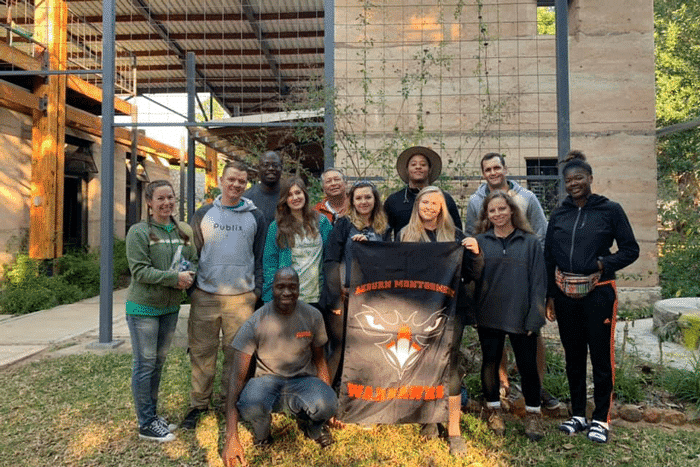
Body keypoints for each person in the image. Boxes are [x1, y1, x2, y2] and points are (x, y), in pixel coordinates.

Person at [545, 150, 639, 444]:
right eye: (569, 180)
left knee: (601, 357)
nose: (574, 184)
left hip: (599, 293)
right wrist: (550, 295)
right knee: (573, 356)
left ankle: (601, 418)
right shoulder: (559, 213)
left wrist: (602, 264)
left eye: (579, 178)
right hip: (564, 294)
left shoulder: (610, 210)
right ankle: (577, 414)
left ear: (590, 179)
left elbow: (630, 249)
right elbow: (549, 256)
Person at [464, 152, 558, 410]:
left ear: (505, 169)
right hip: (491, 301)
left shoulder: (527, 199)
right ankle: (499, 394)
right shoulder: (475, 203)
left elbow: (541, 232)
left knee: (528, 353)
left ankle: (535, 397)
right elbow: (472, 252)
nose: (493, 172)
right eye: (488, 169)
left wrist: (525, 253)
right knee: (492, 358)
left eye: (497, 167)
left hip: (522, 286)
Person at [222, 267, 338, 467]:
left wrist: (329, 405)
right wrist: (231, 436)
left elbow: (320, 361)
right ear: (272, 288)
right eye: (280, 287)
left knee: (328, 403)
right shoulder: (255, 322)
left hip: (303, 380)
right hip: (266, 381)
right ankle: (262, 432)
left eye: (292, 287)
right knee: (250, 404)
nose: (286, 292)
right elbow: (236, 379)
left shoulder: (312, 316)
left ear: (299, 289)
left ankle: (314, 428)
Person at [397, 186, 481, 457]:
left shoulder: (455, 236)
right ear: (417, 206)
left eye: (435, 203)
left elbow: (473, 274)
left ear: (443, 207)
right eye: (425, 202)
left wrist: (476, 252)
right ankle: (429, 420)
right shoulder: (405, 235)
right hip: (418, 310)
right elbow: (393, 268)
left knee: (450, 365)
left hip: (450, 310)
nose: (430, 207)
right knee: (422, 363)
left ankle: (454, 429)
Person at [182, 160, 266, 430]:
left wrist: (256, 291)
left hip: (241, 299)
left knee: (236, 356)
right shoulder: (203, 214)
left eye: (242, 181)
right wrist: (194, 290)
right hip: (206, 296)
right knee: (202, 353)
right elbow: (192, 253)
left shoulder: (256, 216)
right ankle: (198, 406)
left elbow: (260, 256)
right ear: (221, 180)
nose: (236, 185)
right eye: (231, 179)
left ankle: (229, 404)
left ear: (246, 184)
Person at [125, 180, 198, 442]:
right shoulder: (139, 232)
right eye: (160, 199)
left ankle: (152, 415)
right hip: (143, 308)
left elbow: (194, 261)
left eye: (170, 198)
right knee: (145, 365)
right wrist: (173, 279)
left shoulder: (184, 230)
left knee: (157, 364)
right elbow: (139, 271)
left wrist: (190, 275)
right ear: (149, 202)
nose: (167, 203)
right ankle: (145, 423)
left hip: (169, 308)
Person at [473, 191, 546, 441]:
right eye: (492, 211)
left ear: (512, 210)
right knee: (490, 363)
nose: (497, 214)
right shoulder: (480, 241)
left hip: (521, 314)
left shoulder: (530, 242)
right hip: (489, 312)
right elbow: (472, 278)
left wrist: (535, 317)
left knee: (527, 366)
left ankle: (534, 414)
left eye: (502, 209)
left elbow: (538, 282)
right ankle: (493, 410)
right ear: (487, 215)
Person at [320, 180, 391, 387]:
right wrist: (335, 296)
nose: (363, 201)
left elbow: (388, 261)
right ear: (352, 201)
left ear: (375, 200)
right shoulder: (343, 224)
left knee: (366, 346)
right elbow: (331, 259)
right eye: (358, 198)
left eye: (368, 197)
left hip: (371, 296)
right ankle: (326, 394)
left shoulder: (384, 227)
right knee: (339, 347)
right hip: (344, 295)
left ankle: (360, 393)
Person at [262, 177, 333, 306]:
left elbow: (331, 259)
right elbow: (270, 265)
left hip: (317, 296)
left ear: (304, 194)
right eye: (290, 195)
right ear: (285, 199)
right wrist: (269, 299)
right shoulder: (277, 227)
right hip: (289, 296)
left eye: (298, 192)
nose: (295, 197)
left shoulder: (321, 222)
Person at [384, 146, 462, 239]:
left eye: (423, 164)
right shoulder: (394, 201)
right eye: (413, 164)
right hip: (405, 251)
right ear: (407, 170)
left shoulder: (444, 199)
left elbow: (457, 231)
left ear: (429, 170)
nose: (418, 167)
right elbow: (383, 232)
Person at [242, 150, 283, 229]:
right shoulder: (247, 198)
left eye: (275, 165)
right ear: (258, 168)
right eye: (265, 165)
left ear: (281, 168)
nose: (271, 168)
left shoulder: (289, 195)